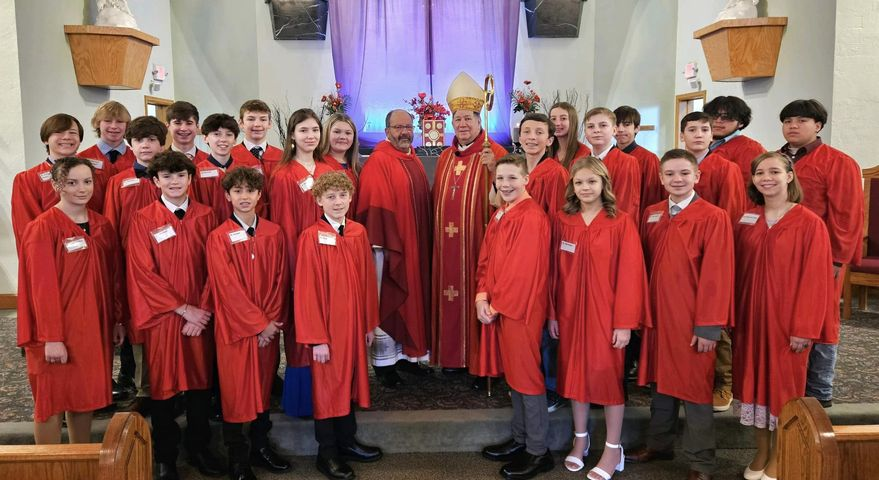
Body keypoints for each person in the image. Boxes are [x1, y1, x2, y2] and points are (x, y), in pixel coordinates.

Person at [628, 149, 734, 480]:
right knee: (661, 383)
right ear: (660, 178)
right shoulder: (652, 213)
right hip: (658, 318)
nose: (677, 179)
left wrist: (709, 327)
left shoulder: (713, 216)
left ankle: (701, 462)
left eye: (684, 174)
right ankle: (660, 444)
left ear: (697, 176)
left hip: (692, 319)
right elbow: (640, 266)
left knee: (695, 390)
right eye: (670, 174)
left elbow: (718, 275)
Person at [733, 152, 836, 480]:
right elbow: (733, 271)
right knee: (752, 386)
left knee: (782, 389)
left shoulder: (809, 223)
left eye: (775, 171)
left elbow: (817, 280)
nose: (766, 177)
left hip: (787, 323)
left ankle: (783, 455)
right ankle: (762, 452)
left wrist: (804, 327)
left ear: (790, 176)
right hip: (751, 320)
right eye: (760, 172)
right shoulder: (746, 220)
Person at [549, 157, 649, 479]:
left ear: (604, 184)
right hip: (570, 313)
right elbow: (553, 273)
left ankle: (613, 448)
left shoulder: (620, 222)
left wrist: (624, 322)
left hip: (606, 315)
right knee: (574, 377)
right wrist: (553, 313)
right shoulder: (563, 220)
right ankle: (580, 440)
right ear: (572, 187)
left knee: (607, 380)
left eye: (592, 181)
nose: (585, 188)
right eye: (579, 182)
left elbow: (631, 275)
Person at [126, 151, 223, 480]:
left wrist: (203, 310)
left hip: (201, 317)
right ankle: (165, 456)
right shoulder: (143, 219)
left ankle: (199, 449)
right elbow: (143, 272)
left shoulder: (207, 216)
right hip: (165, 317)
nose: (174, 181)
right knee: (163, 390)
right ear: (155, 181)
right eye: (166, 176)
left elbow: (217, 268)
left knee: (199, 385)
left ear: (191, 179)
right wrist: (183, 310)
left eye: (180, 175)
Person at [17, 157, 124, 444]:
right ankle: (49, 468)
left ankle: (80, 463)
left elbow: (113, 277)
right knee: (50, 403)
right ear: (56, 185)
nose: (82, 189)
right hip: (55, 331)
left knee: (83, 398)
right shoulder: (43, 227)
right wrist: (52, 337)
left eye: (87, 181)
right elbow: (41, 288)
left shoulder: (102, 225)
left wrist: (116, 319)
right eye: (72, 182)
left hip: (92, 329)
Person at [296, 172, 384, 480]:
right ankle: (327, 453)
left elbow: (368, 283)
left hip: (354, 326)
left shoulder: (358, 232)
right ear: (318, 200)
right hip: (328, 331)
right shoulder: (310, 236)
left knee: (349, 383)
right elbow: (306, 290)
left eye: (342, 196)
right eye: (330, 197)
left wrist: (369, 323)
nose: (337, 202)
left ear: (350, 198)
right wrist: (316, 338)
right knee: (327, 389)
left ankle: (348, 442)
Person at [206, 167, 291, 479]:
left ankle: (260, 446)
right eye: (237, 191)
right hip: (235, 331)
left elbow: (281, 280)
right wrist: (258, 324)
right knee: (236, 391)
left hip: (267, 330)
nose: (244, 197)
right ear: (227, 196)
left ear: (259, 195)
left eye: (250, 191)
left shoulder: (274, 232)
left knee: (264, 386)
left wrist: (270, 323)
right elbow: (226, 287)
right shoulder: (217, 238)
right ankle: (237, 457)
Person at [778, 99, 863, 408]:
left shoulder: (838, 161)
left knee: (822, 318)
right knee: (785, 318)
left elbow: (848, 215)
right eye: (788, 120)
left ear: (818, 126)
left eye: (802, 120)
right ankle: (788, 384)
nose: (793, 126)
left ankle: (820, 388)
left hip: (823, 257)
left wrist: (838, 259)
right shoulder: (776, 160)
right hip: (781, 256)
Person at [478, 154, 554, 480]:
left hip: (520, 308)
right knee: (515, 378)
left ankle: (539, 451)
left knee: (528, 379)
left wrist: (497, 305)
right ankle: (521, 439)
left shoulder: (532, 217)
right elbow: (487, 259)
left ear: (526, 180)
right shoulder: (501, 213)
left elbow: (523, 270)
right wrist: (482, 294)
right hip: (500, 306)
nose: (506, 184)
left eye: (512, 178)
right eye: (501, 179)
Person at [432, 71, 508, 376]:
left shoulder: (495, 154)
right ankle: (452, 357)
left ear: (480, 121)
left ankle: (481, 364)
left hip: (478, 246)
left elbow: (506, 202)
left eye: (469, 119)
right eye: (458, 119)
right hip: (447, 249)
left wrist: (493, 171)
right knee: (450, 296)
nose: (463, 124)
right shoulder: (444, 157)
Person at [269, 108, 338, 417]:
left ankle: (334, 398)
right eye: (303, 131)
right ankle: (303, 401)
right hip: (301, 264)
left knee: (333, 327)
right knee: (302, 331)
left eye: (314, 130)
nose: (310, 136)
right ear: (292, 136)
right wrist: (297, 273)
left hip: (332, 262)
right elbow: (283, 227)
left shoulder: (329, 169)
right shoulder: (284, 175)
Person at [356, 109, 433, 387]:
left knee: (413, 299)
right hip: (389, 249)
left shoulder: (412, 158)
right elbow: (374, 203)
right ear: (386, 131)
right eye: (398, 127)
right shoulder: (379, 161)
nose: (405, 131)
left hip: (414, 247)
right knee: (388, 298)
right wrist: (387, 246)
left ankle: (407, 358)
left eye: (409, 126)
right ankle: (384, 364)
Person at [679, 111, 745, 412]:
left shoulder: (724, 168)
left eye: (704, 129)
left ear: (712, 134)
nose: (698, 134)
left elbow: (731, 212)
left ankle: (723, 381)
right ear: (683, 135)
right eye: (691, 129)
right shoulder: (677, 165)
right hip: (682, 254)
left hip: (714, 250)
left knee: (715, 319)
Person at [102, 115, 168, 413]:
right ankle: (144, 387)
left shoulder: (172, 176)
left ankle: (172, 384)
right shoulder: (119, 182)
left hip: (168, 265)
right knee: (139, 325)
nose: (146, 146)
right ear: (131, 143)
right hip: (132, 266)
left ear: (161, 143)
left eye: (152, 140)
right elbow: (112, 226)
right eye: (140, 140)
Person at [514, 111, 567, 411]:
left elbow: (558, 220)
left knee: (546, 325)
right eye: (526, 131)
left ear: (549, 139)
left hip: (544, 258)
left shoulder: (554, 173)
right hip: (519, 260)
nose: (531, 138)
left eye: (538, 133)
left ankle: (550, 387)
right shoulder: (520, 170)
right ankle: (528, 382)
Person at [12, 114, 86, 250]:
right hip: (53, 251)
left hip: (91, 251)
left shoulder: (92, 174)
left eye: (72, 133)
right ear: (46, 139)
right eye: (59, 132)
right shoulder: (27, 179)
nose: (66, 137)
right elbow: (27, 227)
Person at [191, 113, 262, 219]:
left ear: (235, 140)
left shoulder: (246, 171)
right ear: (205, 138)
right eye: (216, 134)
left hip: (240, 231)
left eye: (229, 135)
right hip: (209, 228)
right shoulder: (196, 173)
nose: (223, 139)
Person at [583, 108, 641, 222]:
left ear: (614, 130)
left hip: (613, 227)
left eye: (603, 125)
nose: (596, 130)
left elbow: (626, 205)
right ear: (585, 132)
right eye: (590, 126)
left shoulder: (628, 162)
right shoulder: (578, 163)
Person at [704, 96, 766, 186]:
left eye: (726, 117)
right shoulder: (702, 144)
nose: (718, 121)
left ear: (740, 123)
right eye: (713, 116)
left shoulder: (751, 149)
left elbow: (749, 187)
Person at [612, 106, 662, 218]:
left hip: (637, 220)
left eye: (626, 124)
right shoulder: (607, 157)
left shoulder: (649, 159)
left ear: (637, 128)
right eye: (616, 124)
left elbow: (652, 197)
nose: (620, 129)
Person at [79, 100, 136, 179]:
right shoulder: (81, 158)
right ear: (98, 123)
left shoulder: (137, 157)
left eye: (119, 121)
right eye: (107, 121)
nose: (113, 126)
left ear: (127, 125)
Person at [319, 112, 362, 216]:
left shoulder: (357, 168)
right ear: (327, 134)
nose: (343, 137)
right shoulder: (319, 166)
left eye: (348, 133)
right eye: (337, 132)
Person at [231, 99, 284, 180]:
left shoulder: (282, 157)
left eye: (263, 119)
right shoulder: (229, 156)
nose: (257, 124)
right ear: (241, 123)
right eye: (251, 119)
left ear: (269, 123)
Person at [549, 102, 590, 170]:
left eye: (563, 118)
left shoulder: (583, 152)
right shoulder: (547, 150)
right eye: (553, 119)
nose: (557, 123)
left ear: (572, 121)